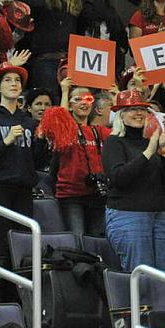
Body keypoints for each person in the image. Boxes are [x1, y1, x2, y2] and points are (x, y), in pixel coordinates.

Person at [0, 59, 46, 301]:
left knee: (24, 246)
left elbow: (36, 160)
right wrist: (4, 142)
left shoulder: (28, 122)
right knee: (4, 243)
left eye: (17, 80)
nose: (14, 84)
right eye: (8, 80)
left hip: (24, 188)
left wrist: (43, 141)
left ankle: (20, 300)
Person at [102, 89, 165, 271]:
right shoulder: (114, 142)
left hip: (161, 214)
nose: (139, 113)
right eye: (132, 109)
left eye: (142, 109)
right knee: (140, 272)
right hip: (129, 214)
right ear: (121, 115)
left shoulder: (152, 143)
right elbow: (119, 178)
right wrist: (148, 153)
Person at [40, 78, 111, 236]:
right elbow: (57, 121)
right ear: (70, 105)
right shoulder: (65, 131)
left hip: (97, 194)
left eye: (88, 99)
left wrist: (118, 94)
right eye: (78, 99)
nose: (84, 103)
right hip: (71, 196)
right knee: (77, 239)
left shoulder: (99, 131)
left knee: (98, 240)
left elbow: (122, 131)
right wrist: (64, 91)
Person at [21, 0, 85, 93]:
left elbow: (88, 15)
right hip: (45, 61)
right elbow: (34, 4)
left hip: (70, 61)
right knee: (49, 104)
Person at [79, 0, 128, 77]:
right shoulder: (84, 10)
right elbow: (98, 13)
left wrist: (119, 52)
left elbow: (122, 38)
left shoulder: (112, 12)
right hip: (87, 61)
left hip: (110, 63)